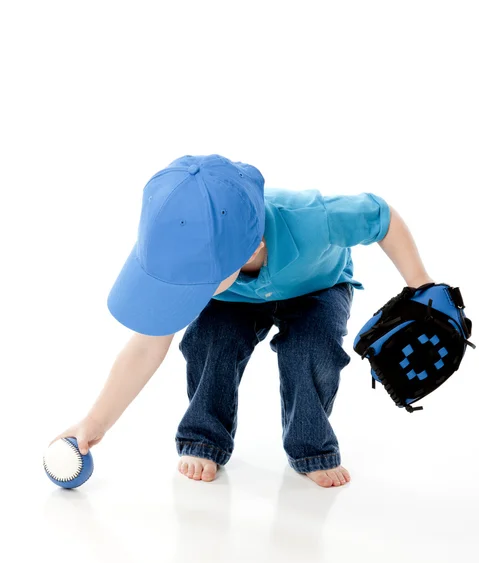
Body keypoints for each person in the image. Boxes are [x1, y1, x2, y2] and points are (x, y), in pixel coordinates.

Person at [51, 154, 433, 488]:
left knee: (311, 350)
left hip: (317, 285)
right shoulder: (186, 249)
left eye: (197, 281)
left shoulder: (314, 218)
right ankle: (204, 439)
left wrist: (423, 289)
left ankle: (311, 447)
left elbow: (381, 216)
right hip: (235, 297)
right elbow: (146, 346)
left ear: (252, 248)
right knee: (209, 340)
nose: (188, 288)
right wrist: (94, 423)